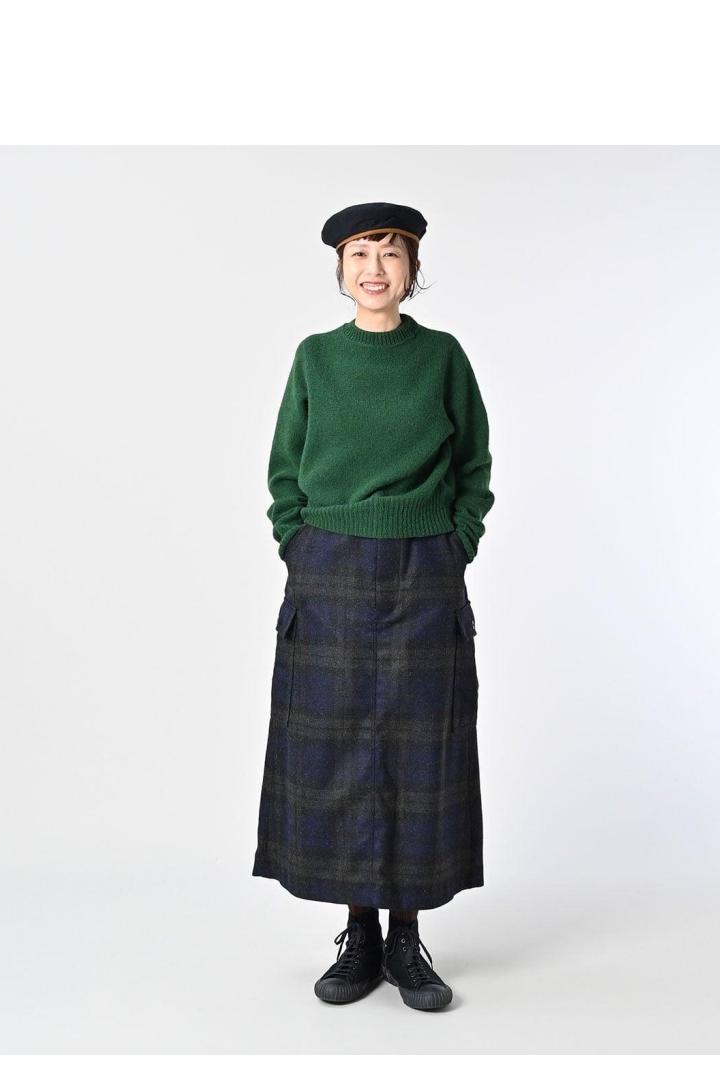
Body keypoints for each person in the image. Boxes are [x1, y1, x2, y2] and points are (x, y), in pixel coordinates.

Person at [252, 201, 495, 1012]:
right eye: (360, 253)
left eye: (391, 253)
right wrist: (298, 540)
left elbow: (474, 463)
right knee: (338, 745)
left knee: (421, 750)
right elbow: (285, 467)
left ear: (412, 268)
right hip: (329, 567)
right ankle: (358, 934)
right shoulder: (316, 358)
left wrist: (457, 539)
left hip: (426, 567)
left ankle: (406, 938)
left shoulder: (442, 357)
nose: (375, 268)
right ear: (340, 269)